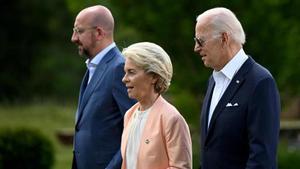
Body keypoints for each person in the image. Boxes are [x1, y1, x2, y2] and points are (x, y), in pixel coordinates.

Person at [194, 7, 280, 169]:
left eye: (200, 40)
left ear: (224, 38)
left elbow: (262, 159)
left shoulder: (261, 82)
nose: (196, 48)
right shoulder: (213, 80)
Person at [70, 5, 136, 169]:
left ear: (99, 33)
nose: (73, 38)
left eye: (79, 31)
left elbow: (135, 131)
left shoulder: (119, 68)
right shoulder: (93, 68)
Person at [120, 42, 193, 169]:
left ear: (153, 76)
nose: (124, 79)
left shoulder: (171, 119)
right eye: (125, 72)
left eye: (131, 72)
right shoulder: (129, 115)